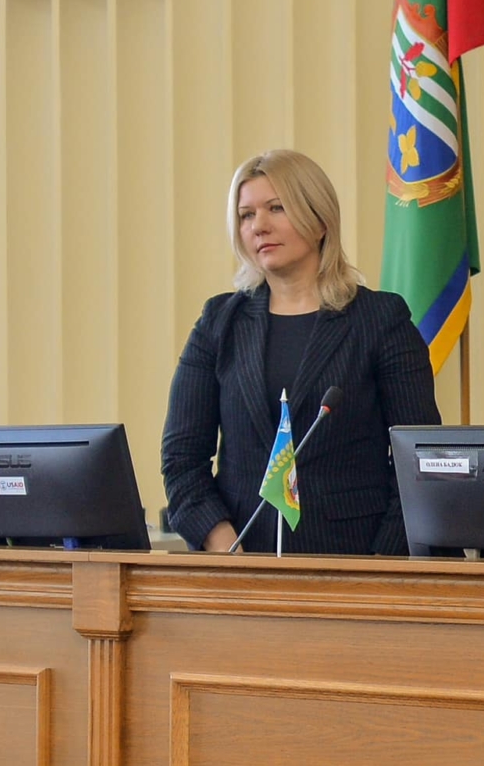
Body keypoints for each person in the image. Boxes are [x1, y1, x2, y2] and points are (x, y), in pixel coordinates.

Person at [162, 149, 440, 555]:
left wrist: (382, 563)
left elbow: (417, 461)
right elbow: (182, 459)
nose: (259, 226)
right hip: (241, 561)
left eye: (276, 208)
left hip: (355, 560)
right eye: (246, 215)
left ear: (320, 219)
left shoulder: (380, 319)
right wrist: (226, 549)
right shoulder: (219, 323)